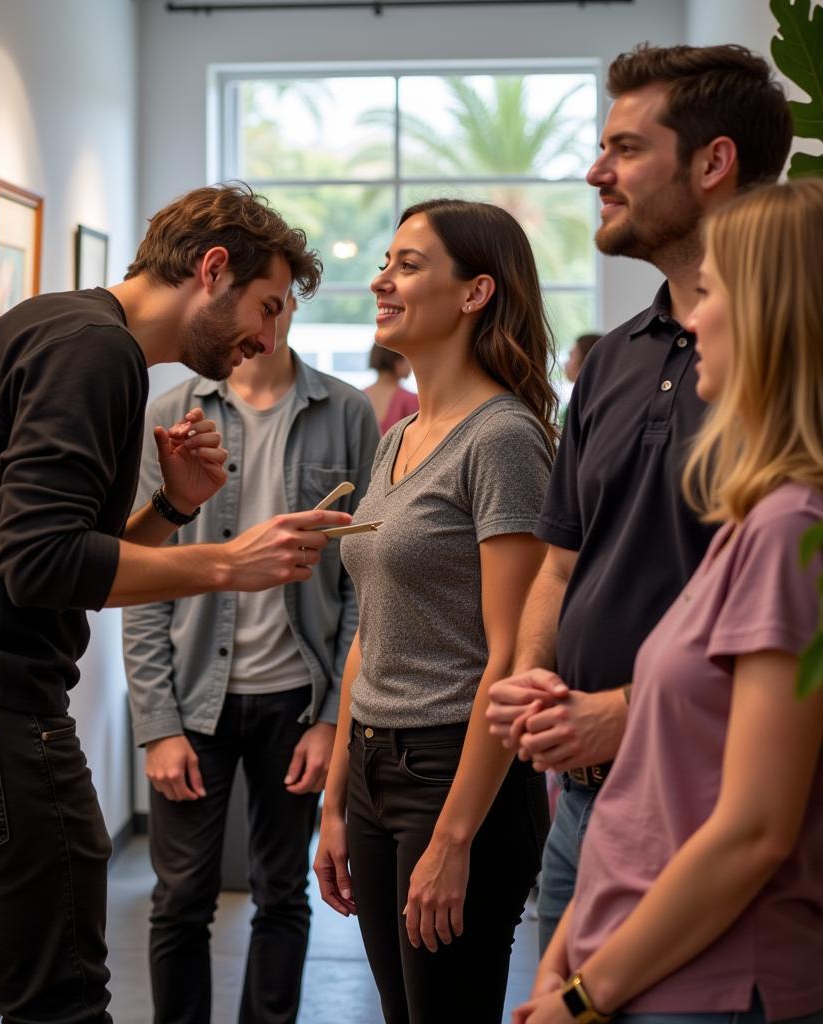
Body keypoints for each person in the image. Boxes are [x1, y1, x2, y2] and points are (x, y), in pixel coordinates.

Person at [0, 184, 353, 1023]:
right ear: (211, 269)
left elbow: (42, 557)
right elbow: (44, 564)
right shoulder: (96, 353)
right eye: (268, 306)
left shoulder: (50, 324)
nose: (268, 338)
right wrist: (227, 562)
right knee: (59, 1006)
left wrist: (170, 510)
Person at [485, 44, 793, 951]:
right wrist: (532, 679)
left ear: (711, 162)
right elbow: (563, 559)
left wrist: (623, 713)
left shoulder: (792, 366)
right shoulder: (614, 359)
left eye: (624, 147)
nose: (596, 171)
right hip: (581, 807)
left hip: (709, 802)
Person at [512, 176, 823, 1024]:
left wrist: (583, 993)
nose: (689, 320)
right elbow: (647, 797)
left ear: (769, 316)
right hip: (638, 956)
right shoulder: (754, 516)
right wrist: (570, 949)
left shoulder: (794, 528)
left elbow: (752, 828)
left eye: (713, 293)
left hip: (709, 981)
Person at [313, 198, 557, 1024]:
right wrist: (337, 799)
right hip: (378, 770)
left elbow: (513, 653)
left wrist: (454, 837)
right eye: (386, 259)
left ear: (475, 291)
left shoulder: (503, 439)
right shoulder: (399, 438)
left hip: (458, 770)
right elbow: (369, 633)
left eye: (408, 264)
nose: (380, 279)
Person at [122, 290, 378, 1024]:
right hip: (193, 698)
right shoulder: (171, 411)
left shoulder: (348, 412)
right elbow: (142, 576)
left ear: (293, 304)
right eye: (252, 304)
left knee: (282, 894)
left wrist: (334, 716)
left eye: (278, 303)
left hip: (299, 699)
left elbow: (361, 580)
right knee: (180, 900)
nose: (263, 325)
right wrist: (157, 724)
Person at [363, 342, 419, 433]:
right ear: (397, 362)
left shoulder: (360, 396)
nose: (411, 365)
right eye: (408, 358)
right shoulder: (411, 400)